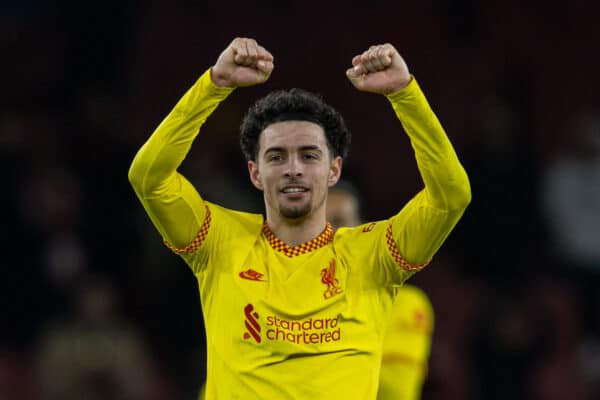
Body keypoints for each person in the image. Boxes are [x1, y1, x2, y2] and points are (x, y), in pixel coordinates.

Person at [128, 37, 470, 399]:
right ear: (255, 173)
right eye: (276, 157)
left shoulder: (375, 256)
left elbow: (451, 196)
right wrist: (214, 85)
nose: (293, 169)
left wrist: (405, 94)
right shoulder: (217, 241)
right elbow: (149, 177)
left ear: (334, 170)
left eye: (309, 155)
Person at [327, 182, 434, 400]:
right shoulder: (287, 298)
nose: (329, 234)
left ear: (362, 229)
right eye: (317, 226)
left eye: (338, 221)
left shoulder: (405, 304)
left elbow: (395, 391)